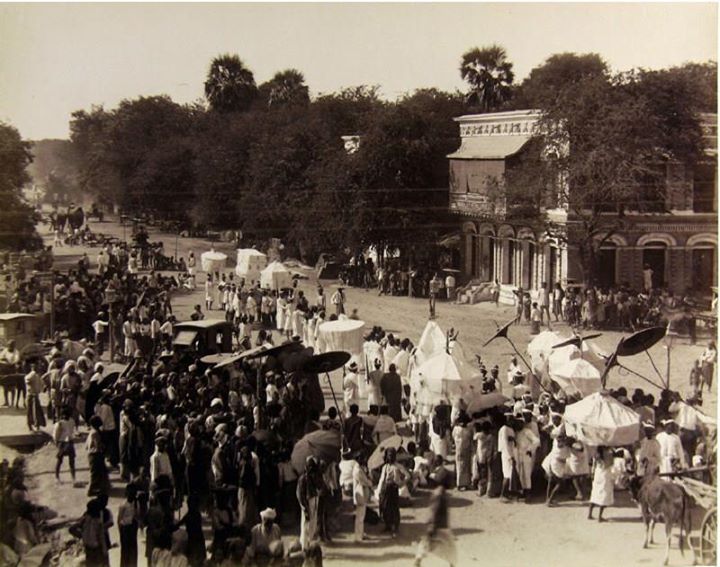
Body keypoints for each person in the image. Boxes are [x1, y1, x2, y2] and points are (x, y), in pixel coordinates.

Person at [414, 474, 456, 567]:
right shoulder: (440, 494)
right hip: (440, 525)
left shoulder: (439, 492)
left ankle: (418, 560)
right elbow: (435, 511)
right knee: (450, 547)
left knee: (426, 543)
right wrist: (432, 526)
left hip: (438, 525)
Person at [378, 448, 405, 537]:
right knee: (385, 508)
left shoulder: (397, 467)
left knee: (394, 508)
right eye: (389, 455)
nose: (390, 457)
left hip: (393, 489)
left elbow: (408, 476)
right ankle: (388, 525)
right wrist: (379, 490)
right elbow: (382, 480)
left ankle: (395, 527)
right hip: (385, 489)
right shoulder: (385, 467)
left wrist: (400, 484)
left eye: (391, 455)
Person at [587, 446, 615, 522]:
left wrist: (592, 474)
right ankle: (600, 517)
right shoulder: (609, 453)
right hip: (605, 474)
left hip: (597, 473)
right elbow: (611, 463)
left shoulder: (596, 454)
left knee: (594, 494)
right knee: (604, 494)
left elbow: (593, 465)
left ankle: (589, 514)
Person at [87, 415, 110, 497]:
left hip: (92, 454)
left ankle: (101, 487)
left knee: (100, 471)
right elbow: (98, 445)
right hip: (95, 454)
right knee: (95, 473)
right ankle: (90, 490)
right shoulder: (95, 433)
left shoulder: (92, 431)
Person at [118, 483, 140, 567]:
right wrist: (121, 531)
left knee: (133, 549)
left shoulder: (136, 504)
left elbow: (137, 515)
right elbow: (119, 519)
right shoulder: (123, 505)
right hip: (125, 528)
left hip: (132, 528)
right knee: (125, 550)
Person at [352, 454, 373, 542]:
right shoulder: (358, 471)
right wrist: (370, 482)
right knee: (360, 516)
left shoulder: (359, 468)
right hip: (360, 494)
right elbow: (365, 482)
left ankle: (361, 533)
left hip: (361, 493)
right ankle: (358, 536)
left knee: (361, 515)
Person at [53, 407, 76, 484]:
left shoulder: (62, 423)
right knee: (60, 460)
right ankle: (57, 477)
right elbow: (56, 435)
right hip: (63, 442)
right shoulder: (62, 423)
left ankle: (73, 478)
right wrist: (57, 442)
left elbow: (56, 435)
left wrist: (56, 442)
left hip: (67, 442)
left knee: (70, 460)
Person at [452, 414, 473, 491]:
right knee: (465, 467)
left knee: (460, 466)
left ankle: (460, 484)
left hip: (459, 449)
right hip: (466, 449)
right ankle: (465, 483)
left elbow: (453, 437)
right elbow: (471, 438)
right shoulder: (468, 430)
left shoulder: (456, 429)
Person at [24, 361, 46, 431]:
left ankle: (35, 425)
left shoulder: (37, 375)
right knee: (32, 411)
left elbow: (41, 384)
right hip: (31, 395)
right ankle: (32, 425)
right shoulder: (32, 374)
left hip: (34, 395)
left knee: (35, 411)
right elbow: (27, 380)